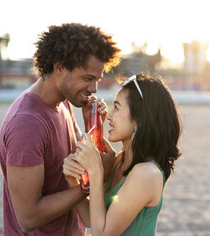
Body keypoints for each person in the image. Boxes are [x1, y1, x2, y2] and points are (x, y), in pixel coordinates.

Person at [0, 23, 121, 235]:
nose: (94, 89)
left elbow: (73, 168)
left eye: (97, 80)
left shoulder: (64, 103)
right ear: (59, 67)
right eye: (87, 79)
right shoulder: (26, 123)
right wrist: (88, 187)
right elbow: (28, 217)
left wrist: (93, 127)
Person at [63, 73, 182, 235]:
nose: (109, 116)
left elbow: (102, 233)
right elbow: (93, 220)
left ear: (139, 119)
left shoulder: (146, 174)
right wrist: (72, 180)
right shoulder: (120, 160)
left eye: (117, 107)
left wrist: (96, 171)